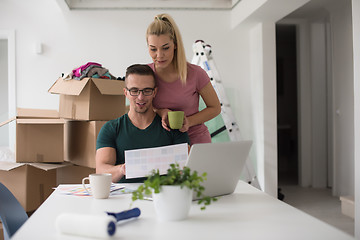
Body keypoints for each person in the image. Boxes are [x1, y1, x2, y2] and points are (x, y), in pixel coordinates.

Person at [96, 64, 190, 183]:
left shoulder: (172, 126)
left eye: (147, 91)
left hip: (163, 196)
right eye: (134, 91)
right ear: (125, 93)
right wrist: (122, 169)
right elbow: (101, 171)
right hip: (124, 199)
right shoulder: (111, 128)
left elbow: (187, 168)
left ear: (155, 92)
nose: (140, 97)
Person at [146, 13, 221, 145]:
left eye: (165, 48)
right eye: (153, 49)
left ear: (175, 45)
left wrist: (189, 121)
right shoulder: (145, 74)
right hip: (161, 142)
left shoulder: (196, 73)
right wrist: (160, 111)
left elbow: (215, 108)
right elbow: (137, 107)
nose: (159, 55)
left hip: (195, 141)